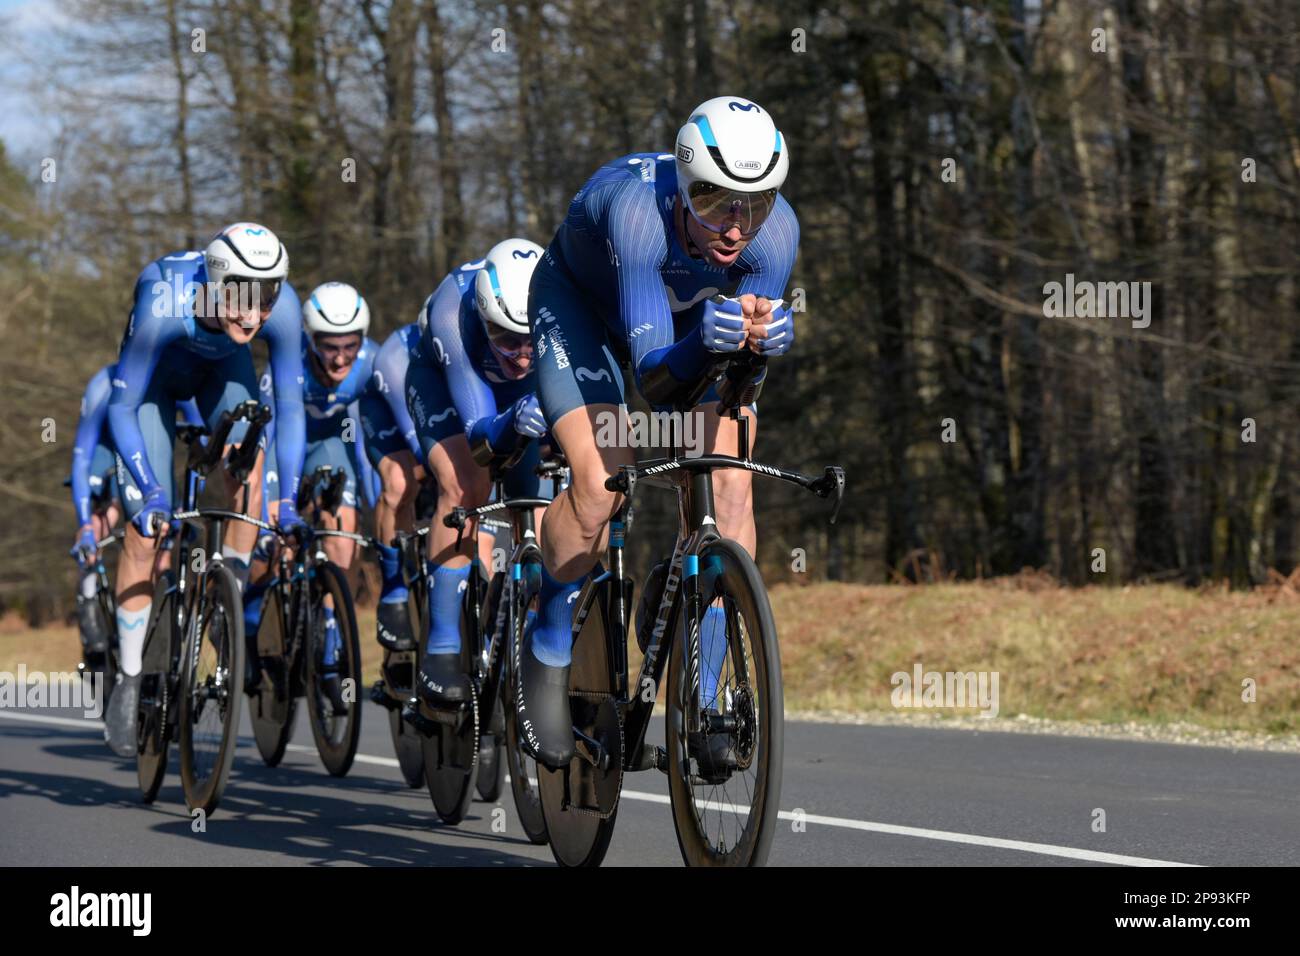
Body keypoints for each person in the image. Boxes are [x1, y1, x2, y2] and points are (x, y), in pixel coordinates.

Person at [519, 96, 799, 767]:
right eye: (715, 204)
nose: (736, 229)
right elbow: (655, 383)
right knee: (599, 485)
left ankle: (699, 686)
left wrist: (758, 354)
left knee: (730, 487)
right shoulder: (638, 215)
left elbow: (732, 394)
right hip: (587, 317)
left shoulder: (777, 234)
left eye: (754, 205)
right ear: (684, 187)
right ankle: (547, 638)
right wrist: (707, 341)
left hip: (684, 334)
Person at [105, 222, 305, 756]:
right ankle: (128, 676)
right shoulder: (164, 299)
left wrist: (288, 502)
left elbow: (289, 410)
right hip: (151, 390)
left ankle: (225, 599)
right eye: (243, 296)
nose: (254, 313)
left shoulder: (279, 310)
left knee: (249, 456)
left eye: (268, 296)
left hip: (220, 375)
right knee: (147, 531)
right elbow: (121, 408)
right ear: (216, 283)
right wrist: (150, 491)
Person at [404, 239, 548, 708]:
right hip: (448, 391)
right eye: (506, 338)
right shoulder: (454, 310)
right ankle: (442, 644)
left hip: (521, 400)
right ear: (485, 317)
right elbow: (478, 432)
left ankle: (538, 635)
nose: (522, 354)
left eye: (531, 339)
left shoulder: (562, 299)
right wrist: (512, 422)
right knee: (467, 485)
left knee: (546, 504)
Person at [251, 281, 380, 709]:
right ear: (309, 339)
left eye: (350, 345)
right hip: (283, 445)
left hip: (332, 445)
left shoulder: (371, 364)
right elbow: (267, 437)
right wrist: (277, 500)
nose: (341, 357)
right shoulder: (288, 366)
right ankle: (252, 623)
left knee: (342, 532)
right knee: (272, 535)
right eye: (329, 346)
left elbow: (365, 444)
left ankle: (329, 638)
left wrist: (370, 502)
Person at [68, 364, 200, 657]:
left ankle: (156, 625)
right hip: (107, 445)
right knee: (107, 513)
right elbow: (81, 458)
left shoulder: (176, 375)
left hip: (153, 443)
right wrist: (86, 526)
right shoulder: (102, 385)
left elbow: (201, 443)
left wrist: (188, 508)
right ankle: (89, 594)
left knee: (163, 530)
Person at [358, 318, 427, 649]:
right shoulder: (392, 357)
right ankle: (393, 586)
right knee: (401, 483)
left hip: (442, 414)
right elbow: (419, 446)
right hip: (393, 419)